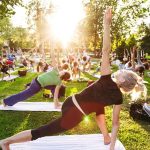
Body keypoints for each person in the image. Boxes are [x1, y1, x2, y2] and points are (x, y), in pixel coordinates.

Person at [0, 8, 147, 150]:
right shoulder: (118, 97)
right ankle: (6, 142)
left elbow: (106, 50)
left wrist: (106, 24)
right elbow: (116, 124)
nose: (120, 70)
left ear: (122, 81)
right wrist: (113, 147)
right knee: (41, 132)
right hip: (73, 114)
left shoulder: (106, 79)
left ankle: (105, 137)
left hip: (71, 102)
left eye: (122, 72)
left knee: (99, 107)